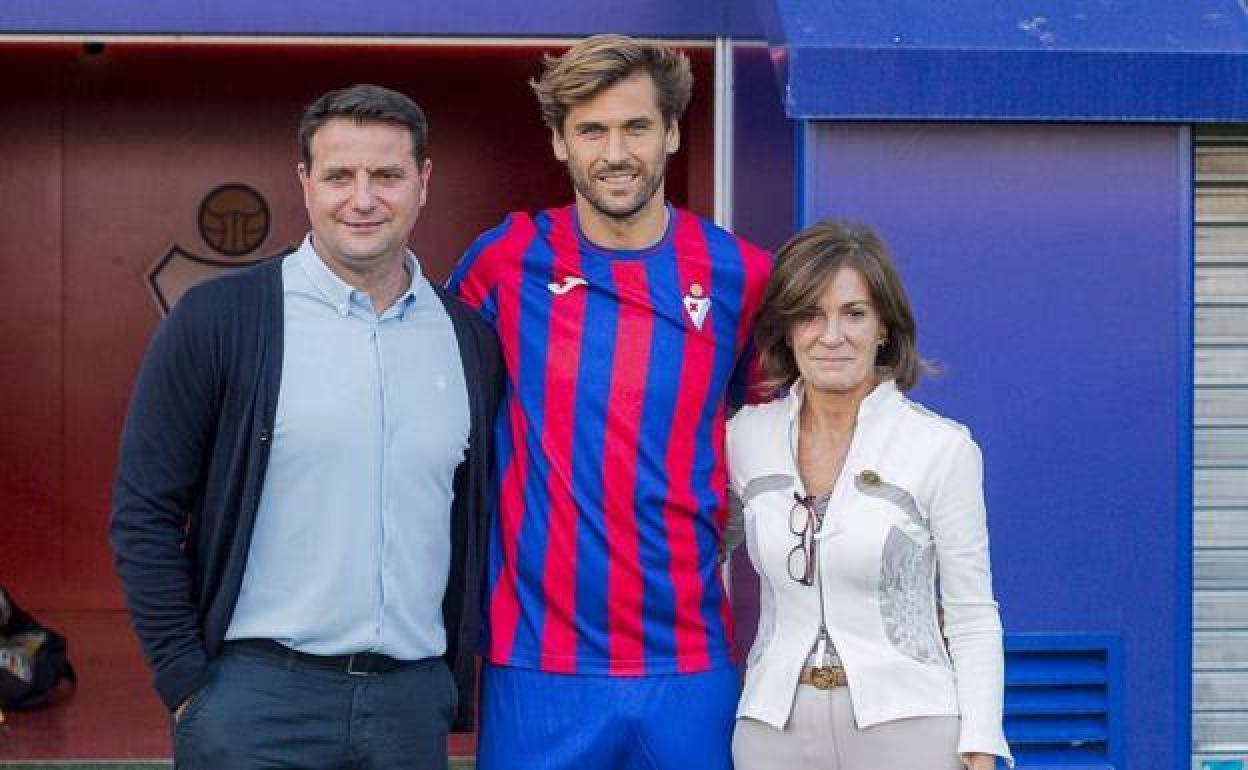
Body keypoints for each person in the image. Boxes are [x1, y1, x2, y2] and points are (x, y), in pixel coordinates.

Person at [110, 84, 502, 770]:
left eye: (386, 175)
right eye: (338, 176)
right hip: (255, 701)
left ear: (423, 181)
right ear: (304, 182)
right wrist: (185, 683)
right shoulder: (219, 322)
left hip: (409, 706)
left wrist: (445, 682)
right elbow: (144, 512)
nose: (363, 198)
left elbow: (474, 512)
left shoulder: (468, 338)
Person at [447, 34, 771, 770]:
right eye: (591, 130)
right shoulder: (505, 260)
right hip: (536, 657)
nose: (615, 152)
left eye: (636, 127)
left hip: (689, 655)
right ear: (560, 143)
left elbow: (769, 429)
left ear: (674, 134)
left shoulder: (740, 276)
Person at [725, 220, 1012, 770]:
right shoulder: (744, 438)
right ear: (786, 329)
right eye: (810, 313)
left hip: (911, 729)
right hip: (772, 732)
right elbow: (694, 551)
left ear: (884, 328)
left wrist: (980, 742)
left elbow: (972, 613)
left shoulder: (940, 448)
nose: (832, 335)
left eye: (854, 314)